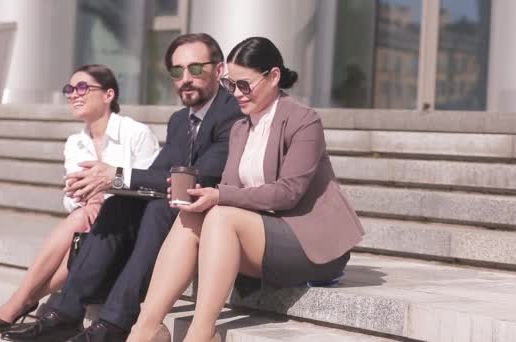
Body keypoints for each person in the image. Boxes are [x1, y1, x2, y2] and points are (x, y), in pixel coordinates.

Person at [1, 33, 243, 342]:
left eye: (196, 69)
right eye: (176, 71)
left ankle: (114, 324)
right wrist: (108, 183)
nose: (185, 79)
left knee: (155, 207)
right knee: (119, 203)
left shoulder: (232, 112)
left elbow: (200, 178)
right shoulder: (181, 120)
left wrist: (115, 175)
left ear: (220, 69)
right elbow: (159, 173)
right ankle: (64, 313)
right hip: (183, 208)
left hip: (224, 215)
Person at [127, 37, 365, 342]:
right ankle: (146, 327)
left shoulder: (304, 121)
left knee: (221, 215)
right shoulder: (241, 128)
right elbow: (230, 188)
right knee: (191, 216)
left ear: (274, 76)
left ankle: (201, 333)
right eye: (230, 85)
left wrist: (220, 196)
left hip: (311, 244)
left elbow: (288, 192)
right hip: (260, 236)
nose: (236, 94)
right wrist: (205, 198)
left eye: (244, 85)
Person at [0, 64, 160, 335]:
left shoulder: (136, 133)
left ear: (108, 94)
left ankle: (21, 300)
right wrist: (87, 203)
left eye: (82, 87)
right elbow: (72, 197)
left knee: (85, 218)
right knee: (80, 216)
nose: (73, 95)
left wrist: (101, 201)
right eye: (69, 89)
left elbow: (151, 189)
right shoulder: (74, 143)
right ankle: (25, 301)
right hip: (93, 228)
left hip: (131, 230)